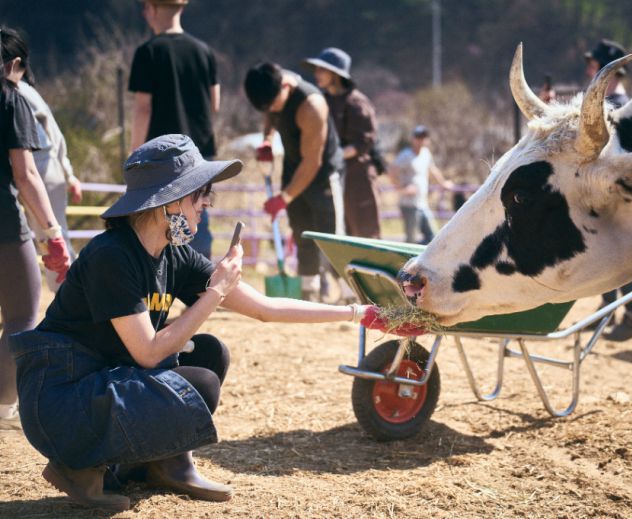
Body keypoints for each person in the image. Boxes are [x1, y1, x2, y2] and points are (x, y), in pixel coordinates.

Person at [9, 134, 408, 510]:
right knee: (200, 382)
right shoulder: (113, 256)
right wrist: (214, 293)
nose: (207, 205)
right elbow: (148, 353)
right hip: (61, 403)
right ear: (172, 202)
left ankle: (165, 465)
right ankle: (78, 467)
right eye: (201, 196)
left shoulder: (171, 254)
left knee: (210, 353)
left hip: (99, 386)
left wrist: (362, 314)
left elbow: (265, 308)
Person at [0, 27, 71, 428]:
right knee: (23, 318)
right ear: (13, 65)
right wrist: (52, 233)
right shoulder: (11, 98)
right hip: (5, 226)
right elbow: (26, 174)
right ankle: (3, 405)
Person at [244, 61, 343, 301]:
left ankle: (350, 294)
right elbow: (270, 115)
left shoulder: (311, 105)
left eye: (274, 103)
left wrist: (283, 197)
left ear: (285, 86)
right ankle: (308, 291)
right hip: (292, 168)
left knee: (331, 236)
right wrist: (267, 140)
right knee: (301, 231)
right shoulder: (271, 88)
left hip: (322, 174)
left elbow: (312, 162)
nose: (272, 110)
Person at [129, 0, 219, 259]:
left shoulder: (148, 52)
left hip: (163, 156)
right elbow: (215, 103)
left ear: (152, 10)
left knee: (161, 217)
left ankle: (165, 277)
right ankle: (200, 281)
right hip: (199, 153)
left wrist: (135, 154)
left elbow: (143, 108)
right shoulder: (205, 51)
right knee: (198, 215)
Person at [583, 39, 632, 341]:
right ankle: (607, 308)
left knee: (620, 259)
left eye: (595, 67)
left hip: (616, 195)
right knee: (605, 256)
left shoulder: (619, 106)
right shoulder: (614, 104)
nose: (590, 72)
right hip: (604, 194)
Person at [12, 48, 81, 291]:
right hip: (37, 169)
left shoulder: (20, 93)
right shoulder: (23, 92)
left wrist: (67, 171)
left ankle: (70, 299)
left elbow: (54, 137)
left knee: (52, 239)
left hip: (39, 169)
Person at [303, 47, 382, 238]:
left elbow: (363, 142)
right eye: (316, 69)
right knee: (336, 235)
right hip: (332, 177)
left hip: (357, 179)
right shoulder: (322, 101)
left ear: (336, 74)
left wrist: (332, 155)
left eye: (322, 70)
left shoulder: (357, 103)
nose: (316, 74)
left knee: (364, 236)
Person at [389, 125, 453, 244]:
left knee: (433, 237)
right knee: (411, 239)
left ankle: (422, 261)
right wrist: (402, 189)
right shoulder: (406, 155)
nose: (421, 140)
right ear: (413, 139)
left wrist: (443, 183)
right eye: (418, 137)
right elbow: (392, 171)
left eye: (423, 137)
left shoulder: (426, 153)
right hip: (409, 204)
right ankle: (406, 262)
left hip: (422, 203)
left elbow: (432, 169)